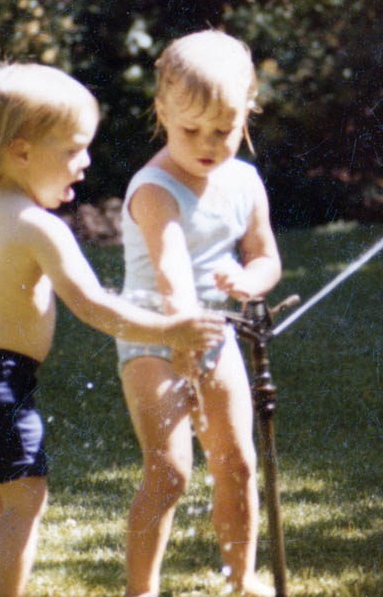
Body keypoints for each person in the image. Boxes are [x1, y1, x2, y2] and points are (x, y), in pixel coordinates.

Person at [0, 62, 226, 597]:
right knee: (25, 502)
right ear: (21, 151)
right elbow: (94, 306)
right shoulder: (39, 227)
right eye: (72, 150)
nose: (84, 163)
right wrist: (171, 329)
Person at [116, 30, 282, 597]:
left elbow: (265, 257)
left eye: (224, 130)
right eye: (191, 130)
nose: (208, 144)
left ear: (246, 115)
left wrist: (250, 281)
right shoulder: (154, 188)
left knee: (237, 462)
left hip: (214, 333)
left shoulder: (244, 182)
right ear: (162, 111)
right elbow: (171, 271)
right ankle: (141, 590)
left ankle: (242, 578)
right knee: (170, 471)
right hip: (153, 333)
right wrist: (182, 335)